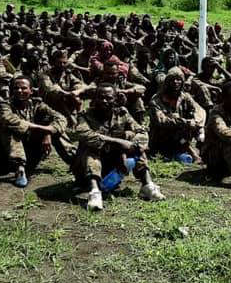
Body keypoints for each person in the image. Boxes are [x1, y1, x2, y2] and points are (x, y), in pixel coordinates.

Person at [70, 82, 165, 211]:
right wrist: (119, 142)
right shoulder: (85, 115)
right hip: (87, 170)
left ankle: (147, 185)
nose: (104, 101)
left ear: (115, 99)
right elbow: (84, 134)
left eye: (108, 98)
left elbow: (141, 132)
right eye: (100, 97)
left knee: (137, 148)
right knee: (90, 148)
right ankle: (95, 192)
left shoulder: (122, 113)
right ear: (95, 99)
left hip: (114, 165)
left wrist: (126, 148)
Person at [0, 76, 67, 188]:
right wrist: (43, 129)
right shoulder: (5, 105)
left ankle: (76, 163)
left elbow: (60, 118)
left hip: (31, 151)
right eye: (16, 88)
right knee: (12, 130)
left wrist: (48, 133)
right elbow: (12, 121)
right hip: (4, 155)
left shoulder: (37, 104)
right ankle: (20, 169)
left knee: (57, 131)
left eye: (24, 88)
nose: (19, 91)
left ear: (31, 91)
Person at [148, 67, 206, 163]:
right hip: (161, 137)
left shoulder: (184, 96)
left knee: (199, 126)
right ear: (167, 82)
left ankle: (201, 149)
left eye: (179, 79)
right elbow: (162, 121)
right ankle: (193, 154)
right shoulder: (157, 99)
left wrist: (197, 123)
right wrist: (185, 122)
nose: (176, 82)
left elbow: (200, 110)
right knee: (175, 121)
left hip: (181, 137)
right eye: (173, 80)